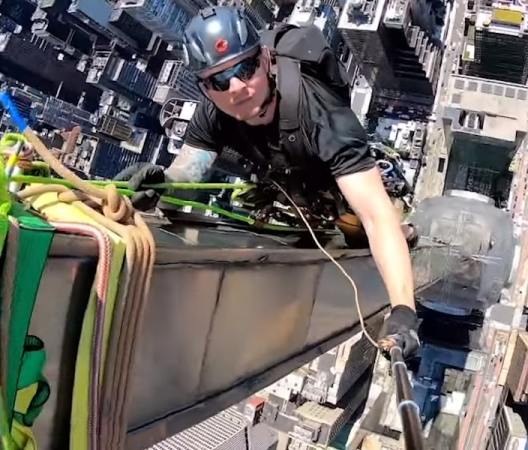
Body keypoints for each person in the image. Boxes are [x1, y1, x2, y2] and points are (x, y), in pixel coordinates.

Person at [116, 6, 420, 358]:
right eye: (219, 80)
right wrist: (162, 183)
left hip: (333, 181)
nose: (237, 87)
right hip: (288, 187)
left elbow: (376, 215)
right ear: (204, 88)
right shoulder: (213, 114)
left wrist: (403, 310)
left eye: (245, 68)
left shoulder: (320, 113)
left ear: (264, 58)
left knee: (359, 224)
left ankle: (407, 233)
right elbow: (189, 173)